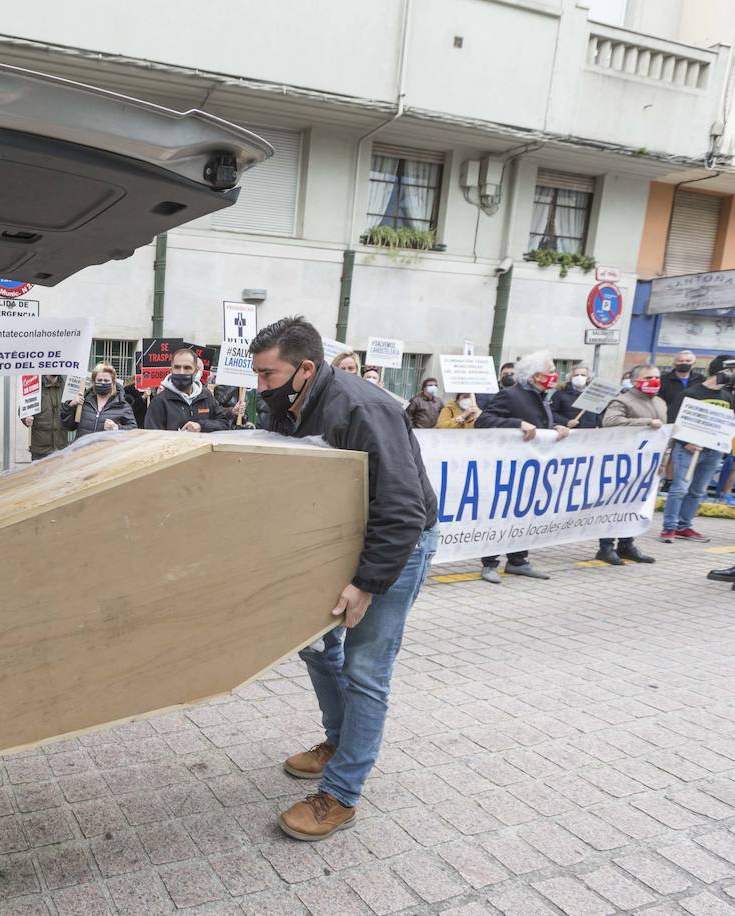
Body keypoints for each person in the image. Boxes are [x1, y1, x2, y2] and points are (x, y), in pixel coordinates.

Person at [248, 316, 437, 842]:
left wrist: (367, 583)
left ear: (306, 368)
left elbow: (401, 508)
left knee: (365, 670)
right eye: (257, 375)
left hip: (394, 551)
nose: (260, 386)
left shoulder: (362, 408)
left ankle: (342, 793)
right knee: (315, 648)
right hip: (338, 545)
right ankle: (338, 739)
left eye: (268, 375)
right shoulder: (289, 403)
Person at [474, 350, 571, 583]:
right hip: (508, 468)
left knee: (525, 514)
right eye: (550, 372)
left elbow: (538, 424)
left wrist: (556, 427)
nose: (554, 376)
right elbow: (484, 421)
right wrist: (516, 423)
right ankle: (489, 563)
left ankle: (518, 560)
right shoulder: (509, 395)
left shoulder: (542, 396)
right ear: (536, 376)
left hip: (533, 468)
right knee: (501, 515)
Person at [660, 355, 734, 543]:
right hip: (688, 450)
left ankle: (684, 526)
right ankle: (669, 527)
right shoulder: (690, 394)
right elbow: (673, 421)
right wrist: (686, 443)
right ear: (723, 371)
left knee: (697, 490)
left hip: (713, 451)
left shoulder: (727, 396)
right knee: (680, 489)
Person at [595, 366, 663, 565]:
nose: (654, 381)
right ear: (634, 381)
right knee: (613, 505)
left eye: (657, 377)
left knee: (635, 505)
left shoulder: (659, 402)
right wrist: (646, 422)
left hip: (646, 464)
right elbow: (611, 422)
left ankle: (627, 544)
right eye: (648, 377)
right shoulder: (622, 401)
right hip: (622, 462)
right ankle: (606, 547)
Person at [144, 348, 230, 432]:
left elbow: (224, 423)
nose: (181, 372)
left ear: (196, 371)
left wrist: (201, 426)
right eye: (177, 367)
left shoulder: (206, 396)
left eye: (187, 368)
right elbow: (152, 438)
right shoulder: (159, 401)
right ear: (171, 370)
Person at [62, 362, 138, 439]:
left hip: (107, 450)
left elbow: (133, 431)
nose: (102, 383)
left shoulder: (122, 405)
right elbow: (68, 426)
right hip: (83, 449)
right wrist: (70, 406)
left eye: (106, 381)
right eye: (99, 380)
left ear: (113, 382)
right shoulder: (83, 402)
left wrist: (116, 428)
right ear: (93, 382)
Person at [24, 374, 69, 460]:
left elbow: (70, 413)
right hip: (40, 450)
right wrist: (25, 418)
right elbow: (23, 408)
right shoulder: (34, 384)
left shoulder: (66, 386)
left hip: (61, 448)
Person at [552, 364, 602, 430]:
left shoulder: (594, 394)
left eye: (583, 375)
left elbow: (600, 413)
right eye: (576, 375)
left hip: (590, 433)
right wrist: (566, 422)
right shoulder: (559, 394)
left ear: (588, 378)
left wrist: (598, 424)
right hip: (568, 433)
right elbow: (551, 413)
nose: (579, 377)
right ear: (571, 377)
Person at [660, 350, 703, 423]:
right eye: (680, 361)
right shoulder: (663, 380)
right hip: (669, 418)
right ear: (674, 363)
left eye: (688, 361)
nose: (684, 363)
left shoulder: (701, 380)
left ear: (694, 364)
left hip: (693, 419)